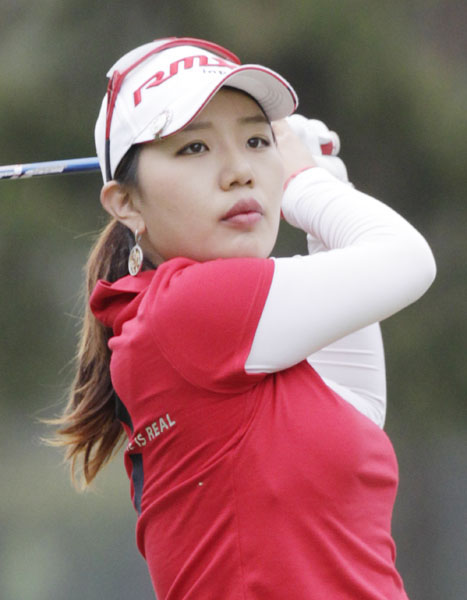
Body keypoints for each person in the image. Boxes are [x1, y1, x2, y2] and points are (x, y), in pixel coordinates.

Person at [51, 37, 436, 599]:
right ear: (126, 203)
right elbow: (409, 260)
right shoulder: (188, 309)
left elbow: (354, 402)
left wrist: (327, 182)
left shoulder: (209, 328)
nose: (239, 172)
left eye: (257, 141)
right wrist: (306, 182)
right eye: (193, 148)